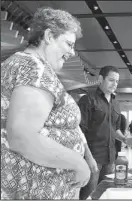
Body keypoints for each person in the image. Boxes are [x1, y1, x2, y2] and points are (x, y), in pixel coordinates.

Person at [1, 7, 96, 199]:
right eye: (68, 44)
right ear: (49, 36)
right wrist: (78, 163)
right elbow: (22, 138)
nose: (71, 52)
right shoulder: (33, 68)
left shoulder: (32, 67)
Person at [78, 65, 132, 199]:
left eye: (116, 81)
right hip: (93, 157)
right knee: (89, 195)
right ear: (100, 79)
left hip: (110, 158)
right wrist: (88, 157)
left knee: (105, 193)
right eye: (111, 80)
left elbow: (114, 129)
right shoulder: (88, 99)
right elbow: (79, 131)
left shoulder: (116, 103)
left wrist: (125, 139)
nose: (114, 84)